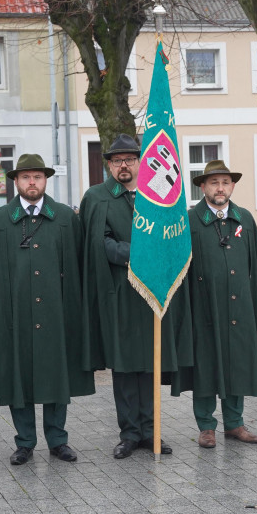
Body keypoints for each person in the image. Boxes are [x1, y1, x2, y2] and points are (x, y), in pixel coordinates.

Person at [80, 135, 192, 459]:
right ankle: (129, 433)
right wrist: (139, 254)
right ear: (110, 165)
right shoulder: (98, 198)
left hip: (153, 294)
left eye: (130, 159)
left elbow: (173, 234)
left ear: (141, 163)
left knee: (151, 364)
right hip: (119, 294)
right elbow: (100, 244)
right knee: (125, 367)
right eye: (117, 161)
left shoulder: (157, 197)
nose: (124, 166)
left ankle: (151, 431)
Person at [0, 154, 94, 465]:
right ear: (16, 182)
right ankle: (25, 442)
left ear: (46, 181)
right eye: (26, 177)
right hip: (13, 315)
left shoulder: (65, 218)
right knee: (18, 374)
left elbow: (80, 264)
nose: (32, 182)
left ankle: (58, 440)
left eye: (38, 177)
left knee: (57, 374)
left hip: (57, 313)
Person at [173, 160, 257, 448]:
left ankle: (235, 423)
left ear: (232, 186)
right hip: (204, 307)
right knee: (205, 364)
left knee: (236, 363)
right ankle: (206, 425)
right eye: (214, 183)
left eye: (225, 183)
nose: (220, 188)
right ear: (203, 187)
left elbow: (255, 266)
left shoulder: (244, 218)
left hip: (239, 307)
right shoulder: (190, 221)